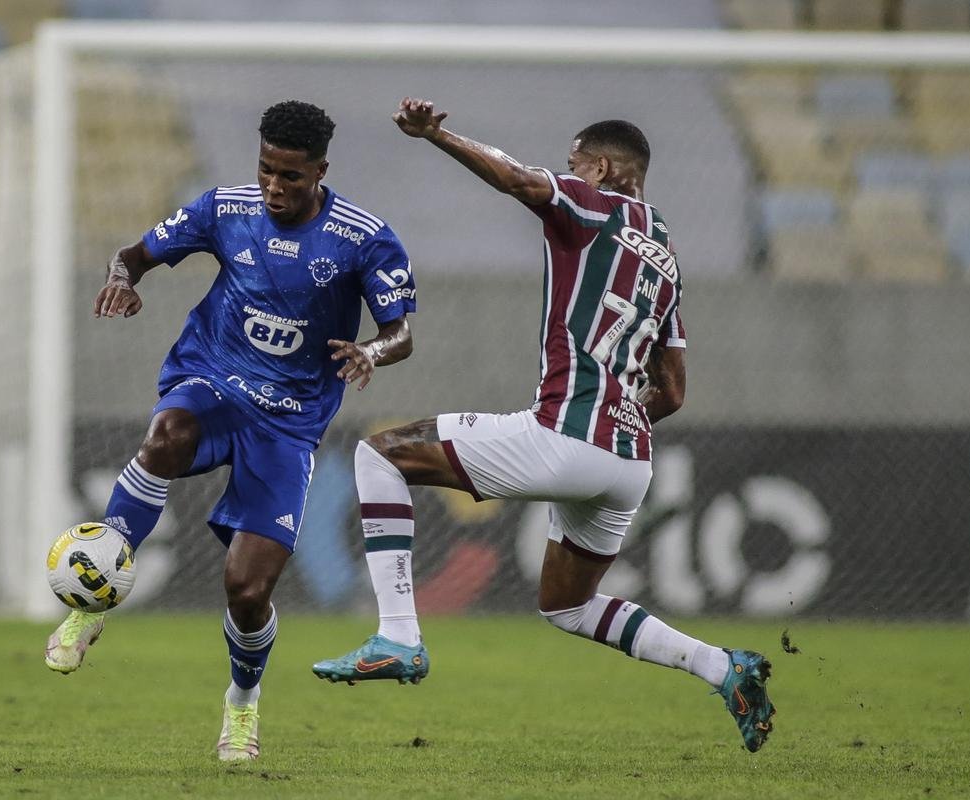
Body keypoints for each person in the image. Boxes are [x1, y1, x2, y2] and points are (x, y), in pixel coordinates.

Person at [313, 98, 775, 753]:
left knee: (378, 455)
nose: (569, 173)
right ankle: (723, 668)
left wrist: (437, 135)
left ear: (603, 168)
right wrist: (616, 418)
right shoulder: (666, 256)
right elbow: (672, 391)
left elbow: (515, 178)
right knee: (568, 605)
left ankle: (397, 636)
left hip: (563, 436)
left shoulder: (593, 205)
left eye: (575, 163)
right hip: (629, 462)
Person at [43, 100, 417, 762]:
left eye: (290, 176)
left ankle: (242, 702)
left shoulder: (363, 238)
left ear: (320, 171)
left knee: (247, 590)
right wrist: (122, 281)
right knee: (167, 434)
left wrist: (371, 351)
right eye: (266, 169)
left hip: (289, 424)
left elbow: (401, 332)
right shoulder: (224, 208)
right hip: (214, 378)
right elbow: (132, 256)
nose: (273, 186)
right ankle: (93, 602)